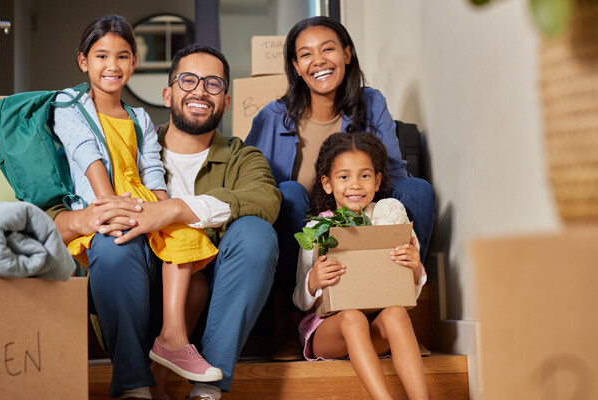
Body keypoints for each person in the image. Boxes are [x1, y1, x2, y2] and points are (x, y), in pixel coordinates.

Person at [51, 43, 280, 400]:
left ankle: (206, 390)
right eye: (188, 81)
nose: (200, 91)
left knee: (257, 233)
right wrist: (90, 218)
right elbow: (51, 219)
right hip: (133, 302)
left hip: (216, 314)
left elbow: (265, 200)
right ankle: (134, 384)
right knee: (113, 240)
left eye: (213, 84)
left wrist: (173, 210)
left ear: (227, 101)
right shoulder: (126, 145)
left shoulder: (242, 158)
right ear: (168, 92)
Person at [244, 16, 435, 358]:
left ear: (347, 54)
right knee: (287, 193)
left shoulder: (371, 102)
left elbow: (393, 174)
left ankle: (399, 316)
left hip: (364, 221)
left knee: (417, 191)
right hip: (305, 240)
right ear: (296, 66)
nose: (318, 60)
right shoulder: (271, 118)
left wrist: (382, 223)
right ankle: (292, 324)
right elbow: (254, 187)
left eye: (328, 49)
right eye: (306, 54)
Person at [52, 15, 221, 383]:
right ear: (83, 61)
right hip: (103, 199)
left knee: (186, 237)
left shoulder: (139, 116)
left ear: (134, 62)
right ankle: (134, 372)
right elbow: (86, 154)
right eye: (101, 56)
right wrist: (108, 204)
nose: (112, 66)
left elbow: (151, 169)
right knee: (117, 246)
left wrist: (164, 211)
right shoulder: (69, 103)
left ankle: (172, 336)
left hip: (139, 198)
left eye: (123, 56)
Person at [294, 131, 428, 400]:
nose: (355, 185)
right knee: (353, 317)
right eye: (344, 177)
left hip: (374, 328)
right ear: (328, 183)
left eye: (364, 176)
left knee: (397, 313)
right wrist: (313, 281)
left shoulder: (391, 222)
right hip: (330, 331)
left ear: (377, 181)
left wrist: (414, 268)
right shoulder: (317, 228)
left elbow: (407, 294)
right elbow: (300, 299)